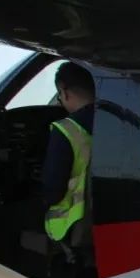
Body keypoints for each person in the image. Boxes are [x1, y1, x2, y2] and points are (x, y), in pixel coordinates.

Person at [42, 61, 96, 244]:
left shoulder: (65, 130)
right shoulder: (122, 123)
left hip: (75, 226)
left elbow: (52, 193)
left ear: (64, 92)